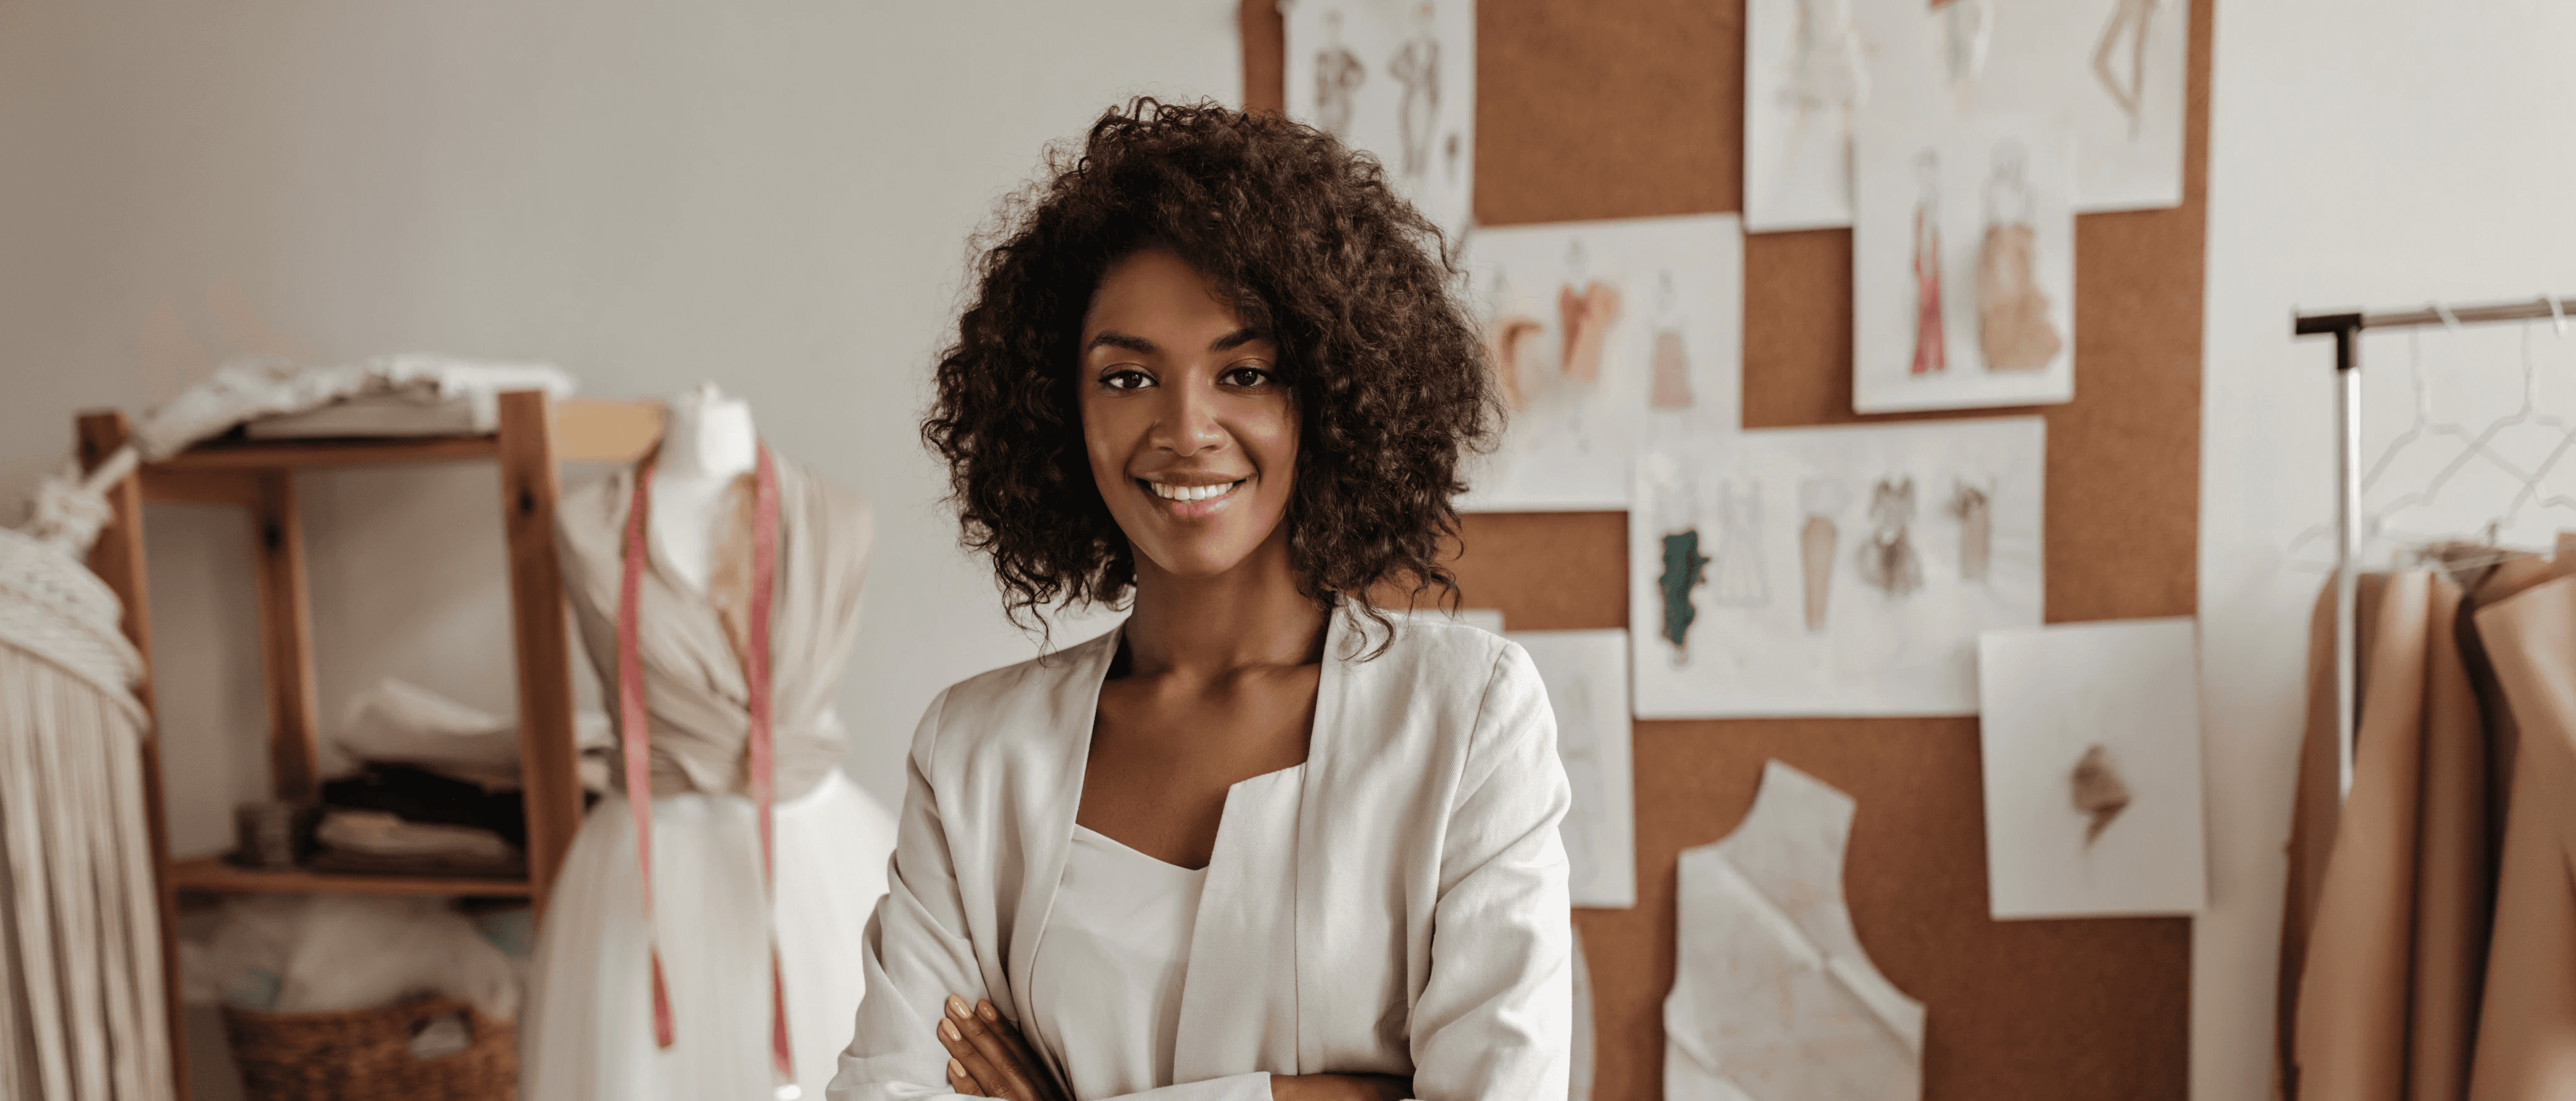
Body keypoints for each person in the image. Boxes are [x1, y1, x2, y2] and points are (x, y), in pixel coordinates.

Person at [827, 99, 1573, 1101]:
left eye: (1247, 372)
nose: (1186, 426)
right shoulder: (974, 753)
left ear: (1333, 392)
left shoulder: (1468, 716)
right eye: (1129, 376)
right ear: (1058, 404)